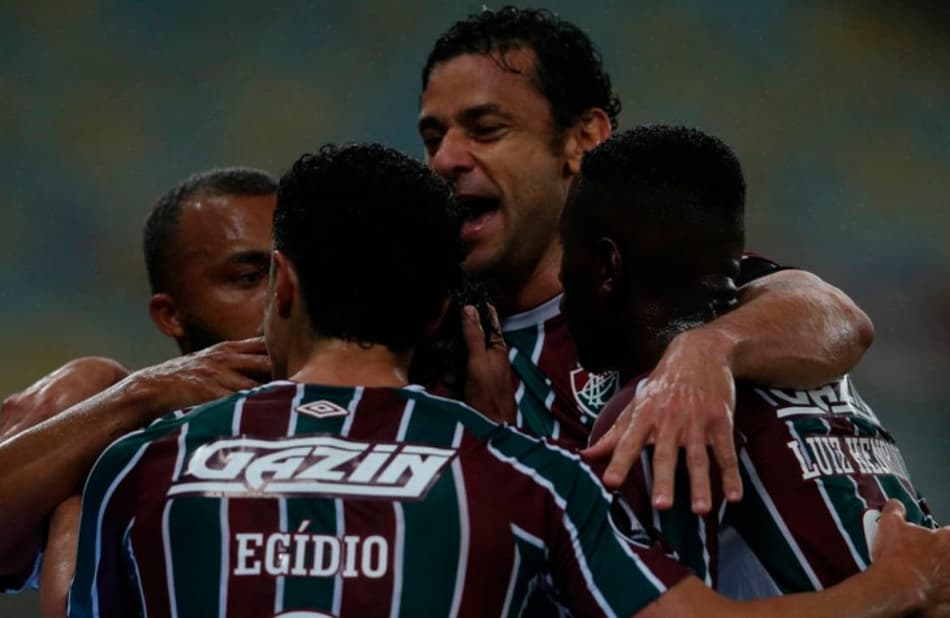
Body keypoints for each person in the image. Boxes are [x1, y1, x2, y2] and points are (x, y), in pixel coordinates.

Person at [69, 143, 950, 618]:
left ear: (287, 285)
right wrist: (897, 586)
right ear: (435, 312)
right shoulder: (526, 477)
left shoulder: (137, 467)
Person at [419, 7, 875, 513]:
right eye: (433, 140)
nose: (445, 159)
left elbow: (841, 319)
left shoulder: (670, 290)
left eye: (485, 129)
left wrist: (708, 350)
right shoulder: (423, 334)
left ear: (582, 139)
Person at [560, 125, 939, 595]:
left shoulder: (652, 414)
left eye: (566, 253)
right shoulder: (818, 374)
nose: (561, 287)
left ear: (606, 265)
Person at [0, 168, 277, 611]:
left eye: (293, 273)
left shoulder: (382, 398)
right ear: (171, 315)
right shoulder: (115, 432)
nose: (281, 298)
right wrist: (137, 395)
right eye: (248, 277)